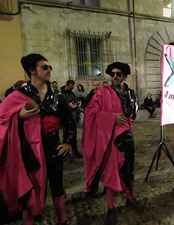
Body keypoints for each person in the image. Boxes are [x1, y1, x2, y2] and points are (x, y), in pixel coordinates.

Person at [0, 53, 74, 225]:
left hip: (54, 146)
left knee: (57, 185)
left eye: (50, 67)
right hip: (30, 150)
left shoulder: (57, 95)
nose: (49, 70)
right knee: (31, 187)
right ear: (32, 71)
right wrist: (18, 116)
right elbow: (2, 117)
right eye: (45, 67)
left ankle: (62, 220)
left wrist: (68, 142)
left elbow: (69, 121)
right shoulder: (18, 95)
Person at [83, 62, 137, 225]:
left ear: (124, 76)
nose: (115, 76)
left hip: (127, 134)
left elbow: (131, 114)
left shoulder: (131, 93)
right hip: (110, 137)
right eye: (112, 74)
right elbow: (90, 111)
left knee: (129, 168)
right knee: (110, 170)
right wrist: (111, 117)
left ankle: (130, 197)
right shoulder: (102, 93)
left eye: (118, 74)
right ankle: (110, 205)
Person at [61, 80, 83, 158]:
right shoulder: (62, 94)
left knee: (74, 135)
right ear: (68, 85)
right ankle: (65, 153)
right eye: (71, 85)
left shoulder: (72, 93)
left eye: (73, 85)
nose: (73, 87)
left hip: (73, 117)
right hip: (65, 118)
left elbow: (74, 101)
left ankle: (75, 151)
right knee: (66, 135)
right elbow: (60, 106)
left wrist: (77, 104)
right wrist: (68, 105)